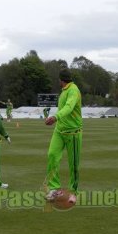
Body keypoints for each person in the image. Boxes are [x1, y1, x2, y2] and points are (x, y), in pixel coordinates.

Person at [45, 68, 82, 200]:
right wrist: (57, 120)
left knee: (74, 164)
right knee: (52, 155)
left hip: (73, 132)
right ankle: (54, 188)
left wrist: (55, 117)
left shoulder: (74, 90)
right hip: (59, 131)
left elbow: (69, 107)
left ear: (60, 80)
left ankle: (73, 191)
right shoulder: (64, 91)